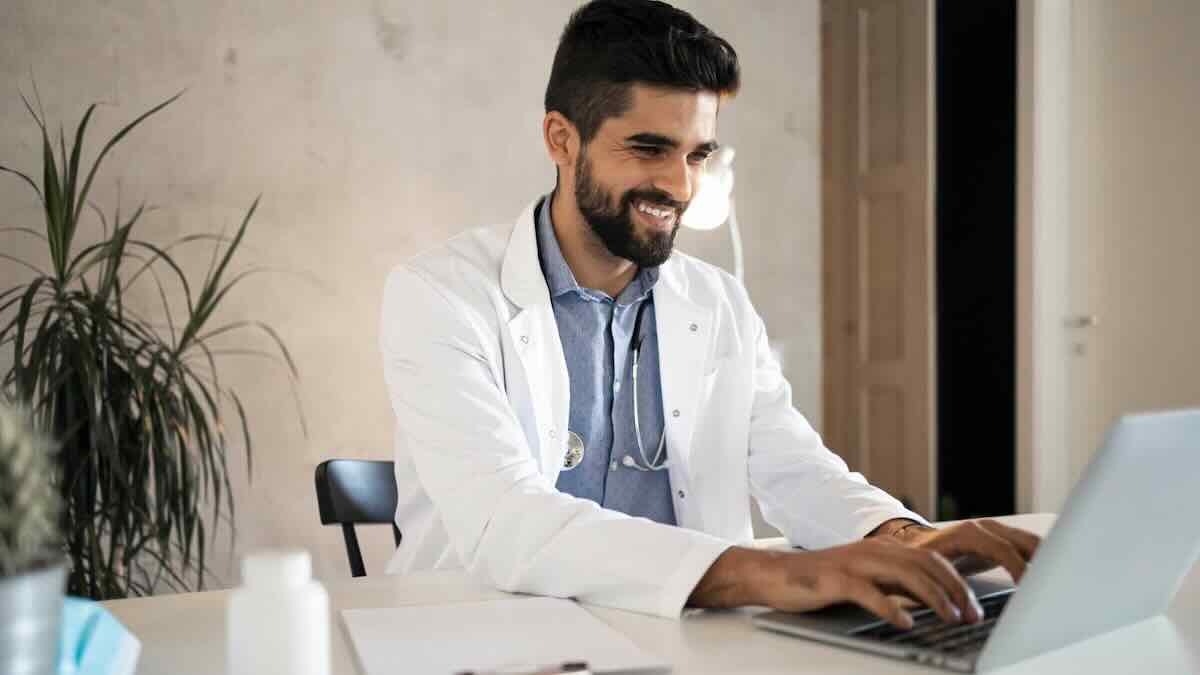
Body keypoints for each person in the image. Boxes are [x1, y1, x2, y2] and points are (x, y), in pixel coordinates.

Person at [379, 0, 1039, 629]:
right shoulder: (440, 296)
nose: (681, 186)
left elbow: (795, 468)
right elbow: (505, 519)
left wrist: (909, 538)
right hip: (492, 634)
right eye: (648, 149)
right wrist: (782, 576)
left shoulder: (717, 302)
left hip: (687, 640)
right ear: (562, 139)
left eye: (697, 154)